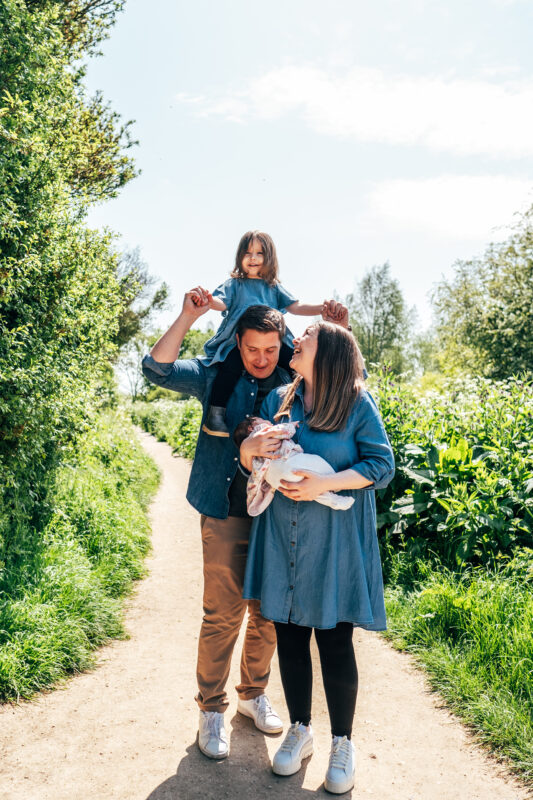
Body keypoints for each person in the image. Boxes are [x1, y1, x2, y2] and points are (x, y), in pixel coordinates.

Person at [141, 291, 348, 761]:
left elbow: (345, 387)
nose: (261, 359)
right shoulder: (216, 373)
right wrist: (188, 315)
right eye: (252, 349)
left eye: (271, 350)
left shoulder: (293, 379)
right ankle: (211, 708)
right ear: (237, 341)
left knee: (270, 612)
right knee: (222, 612)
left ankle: (252, 695)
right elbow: (156, 370)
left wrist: (338, 332)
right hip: (224, 507)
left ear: (284, 344)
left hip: (278, 515)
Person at [239, 322, 395, 794]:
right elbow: (255, 457)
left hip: (333, 543)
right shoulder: (279, 401)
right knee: (288, 634)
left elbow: (381, 465)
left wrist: (323, 484)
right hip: (283, 537)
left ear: (325, 350)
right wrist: (250, 454)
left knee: (333, 639)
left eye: (305, 335)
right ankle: (301, 730)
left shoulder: (355, 401)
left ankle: (343, 743)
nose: (296, 340)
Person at [196, 230, 340, 437]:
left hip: (273, 340)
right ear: (240, 257)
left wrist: (321, 308)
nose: (253, 258)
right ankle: (215, 415)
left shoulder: (273, 287)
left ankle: (314, 403)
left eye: (259, 253)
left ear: (269, 257)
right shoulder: (234, 285)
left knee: (295, 365)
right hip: (241, 343)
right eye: (247, 253)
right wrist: (209, 301)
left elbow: (296, 306)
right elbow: (221, 303)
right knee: (230, 368)